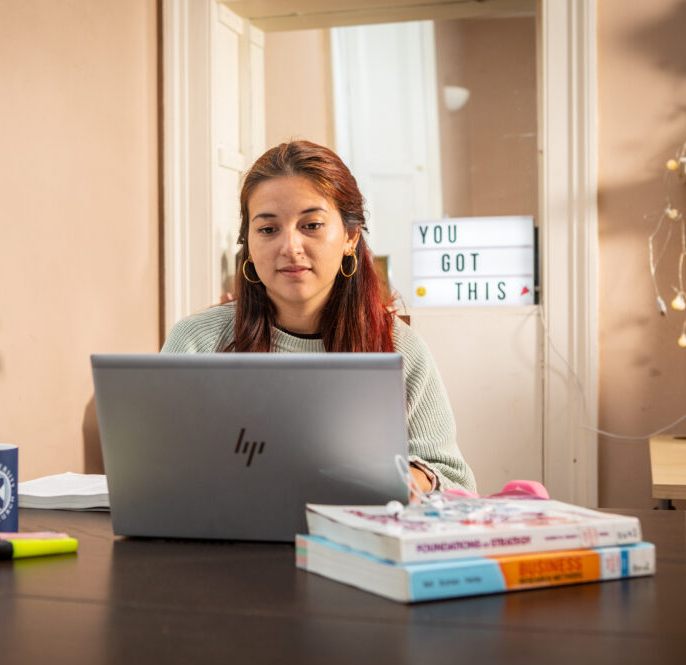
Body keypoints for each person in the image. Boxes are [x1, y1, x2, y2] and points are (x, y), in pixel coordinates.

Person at [161, 140, 475, 494]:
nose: (290, 247)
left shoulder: (399, 347)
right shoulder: (195, 341)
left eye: (311, 225)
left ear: (350, 237)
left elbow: (454, 480)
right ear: (247, 244)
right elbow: (157, 468)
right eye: (267, 229)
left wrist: (398, 481)